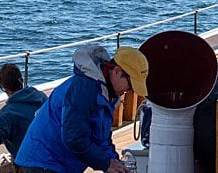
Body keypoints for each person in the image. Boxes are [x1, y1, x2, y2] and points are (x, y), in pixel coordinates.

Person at [15, 45, 149, 173]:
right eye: (131, 85)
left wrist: (114, 162)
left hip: (61, 163)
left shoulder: (108, 93)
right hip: (43, 161)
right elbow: (73, 137)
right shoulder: (85, 89)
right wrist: (106, 163)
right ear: (117, 71)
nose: (129, 91)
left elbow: (102, 138)